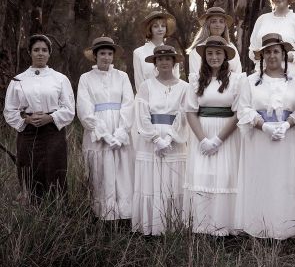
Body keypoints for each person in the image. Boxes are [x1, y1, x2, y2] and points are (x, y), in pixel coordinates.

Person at [236, 33, 295, 239]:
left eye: (276, 51)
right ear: (262, 55)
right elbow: (244, 109)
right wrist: (263, 126)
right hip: (260, 139)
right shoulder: (250, 81)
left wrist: (287, 124)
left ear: (283, 53)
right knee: (262, 179)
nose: (272, 55)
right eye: (268, 51)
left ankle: (285, 229)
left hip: (287, 138)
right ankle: (260, 227)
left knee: (286, 180)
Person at [183, 37, 245, 236]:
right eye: (209, 53)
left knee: (225, 176)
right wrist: (203, 140)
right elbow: (191, 111)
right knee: (203, 175)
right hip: (202, 132)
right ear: (204, 56)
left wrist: (218, 140)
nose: (214, 57)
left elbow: (238, 112)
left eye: (218, 53)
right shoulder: (195, 79)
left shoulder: (237, 80)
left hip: (226, 134)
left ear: (226, 55)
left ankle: (225, 228)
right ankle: (202, 226)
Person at [3, 34, 75, 201]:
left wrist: (50, 118)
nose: (40, 53)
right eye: (36, 50)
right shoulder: (18, 80)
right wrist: (26, 120)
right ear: (30, 52)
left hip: (53, 131)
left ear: (49, 53)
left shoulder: (60, 79)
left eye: (44, 50)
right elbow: (9, 110)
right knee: (29, 168)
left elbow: (69, 109)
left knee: (55, 168)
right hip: (28, 132)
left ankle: (57, 209)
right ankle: (32, 209)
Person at [131, 45, 190, 235]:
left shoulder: (184, 87)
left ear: (174, 62)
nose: (164, 62)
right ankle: (152, 226)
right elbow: (142, 114)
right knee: (152, 179)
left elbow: (184, 115)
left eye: (168, 59)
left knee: (173, 180)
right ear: (155, 63)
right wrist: (156, 139)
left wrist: (170, 138)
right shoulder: (146, 86)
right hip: (151, 141)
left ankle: (173, 226)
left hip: (175, 140)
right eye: (160, 59)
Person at [77, 37, 135, 221]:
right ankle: (104, 215)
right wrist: (104, 135)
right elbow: (85, 109)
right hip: (98, 132)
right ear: (95, 56)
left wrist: (120, 133)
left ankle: (125, 214)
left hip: (120, 130)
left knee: (122, 170)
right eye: (102, 53)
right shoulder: (86, 78)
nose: (106, 57)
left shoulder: (122, 76)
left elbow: (128, 104)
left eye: (110, 54)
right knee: (101, 171)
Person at [186, 7, 242, 82]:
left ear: (225, 25)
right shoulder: (197, 49)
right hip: (204, 90)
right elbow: (195, 79)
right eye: (213, 21)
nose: (218, 25)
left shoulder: (231, 47)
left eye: (221, 21)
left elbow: (238, 74)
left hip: (230, 90)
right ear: (207, 25)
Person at [133, 11, 181, 92]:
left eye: (163, 26)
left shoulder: (173, 52)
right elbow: (139, 83)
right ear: (150, 29)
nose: (160, 29)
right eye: (156, 26)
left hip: (170, 100)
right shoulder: (138, 53)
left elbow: (176, 80)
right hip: (148, 99)